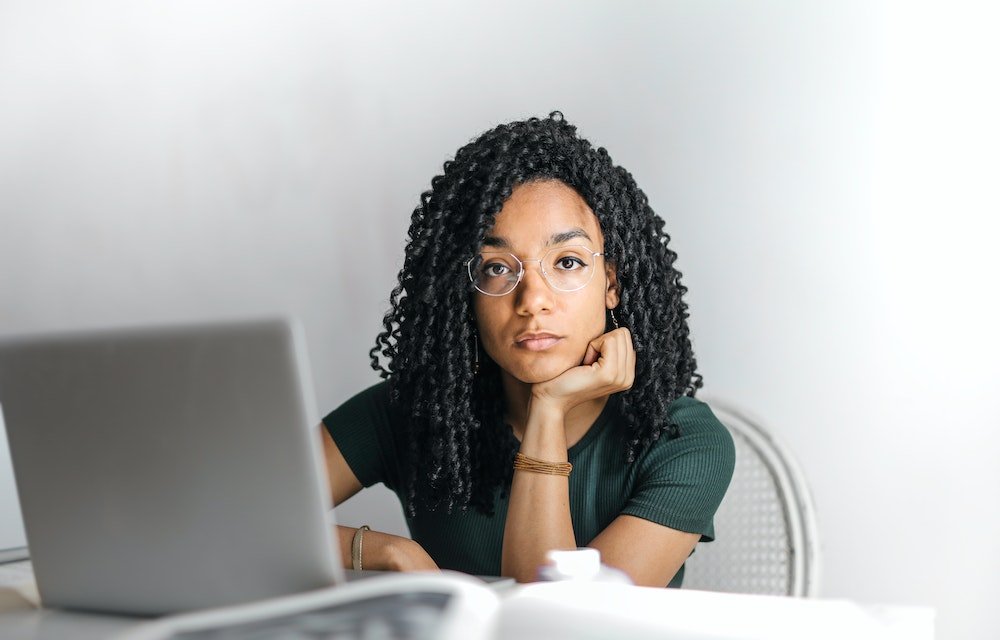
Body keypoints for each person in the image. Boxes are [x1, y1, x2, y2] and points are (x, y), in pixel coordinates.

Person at [321, 112, 735, 587]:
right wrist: (389, 551)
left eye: (567, 261)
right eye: (497, 267)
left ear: (611, 284)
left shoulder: (683, 441)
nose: (533, 300)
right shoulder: (418, 411)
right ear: (467, 293)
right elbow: (230, 516)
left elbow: (559, 623)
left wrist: (549, 407)